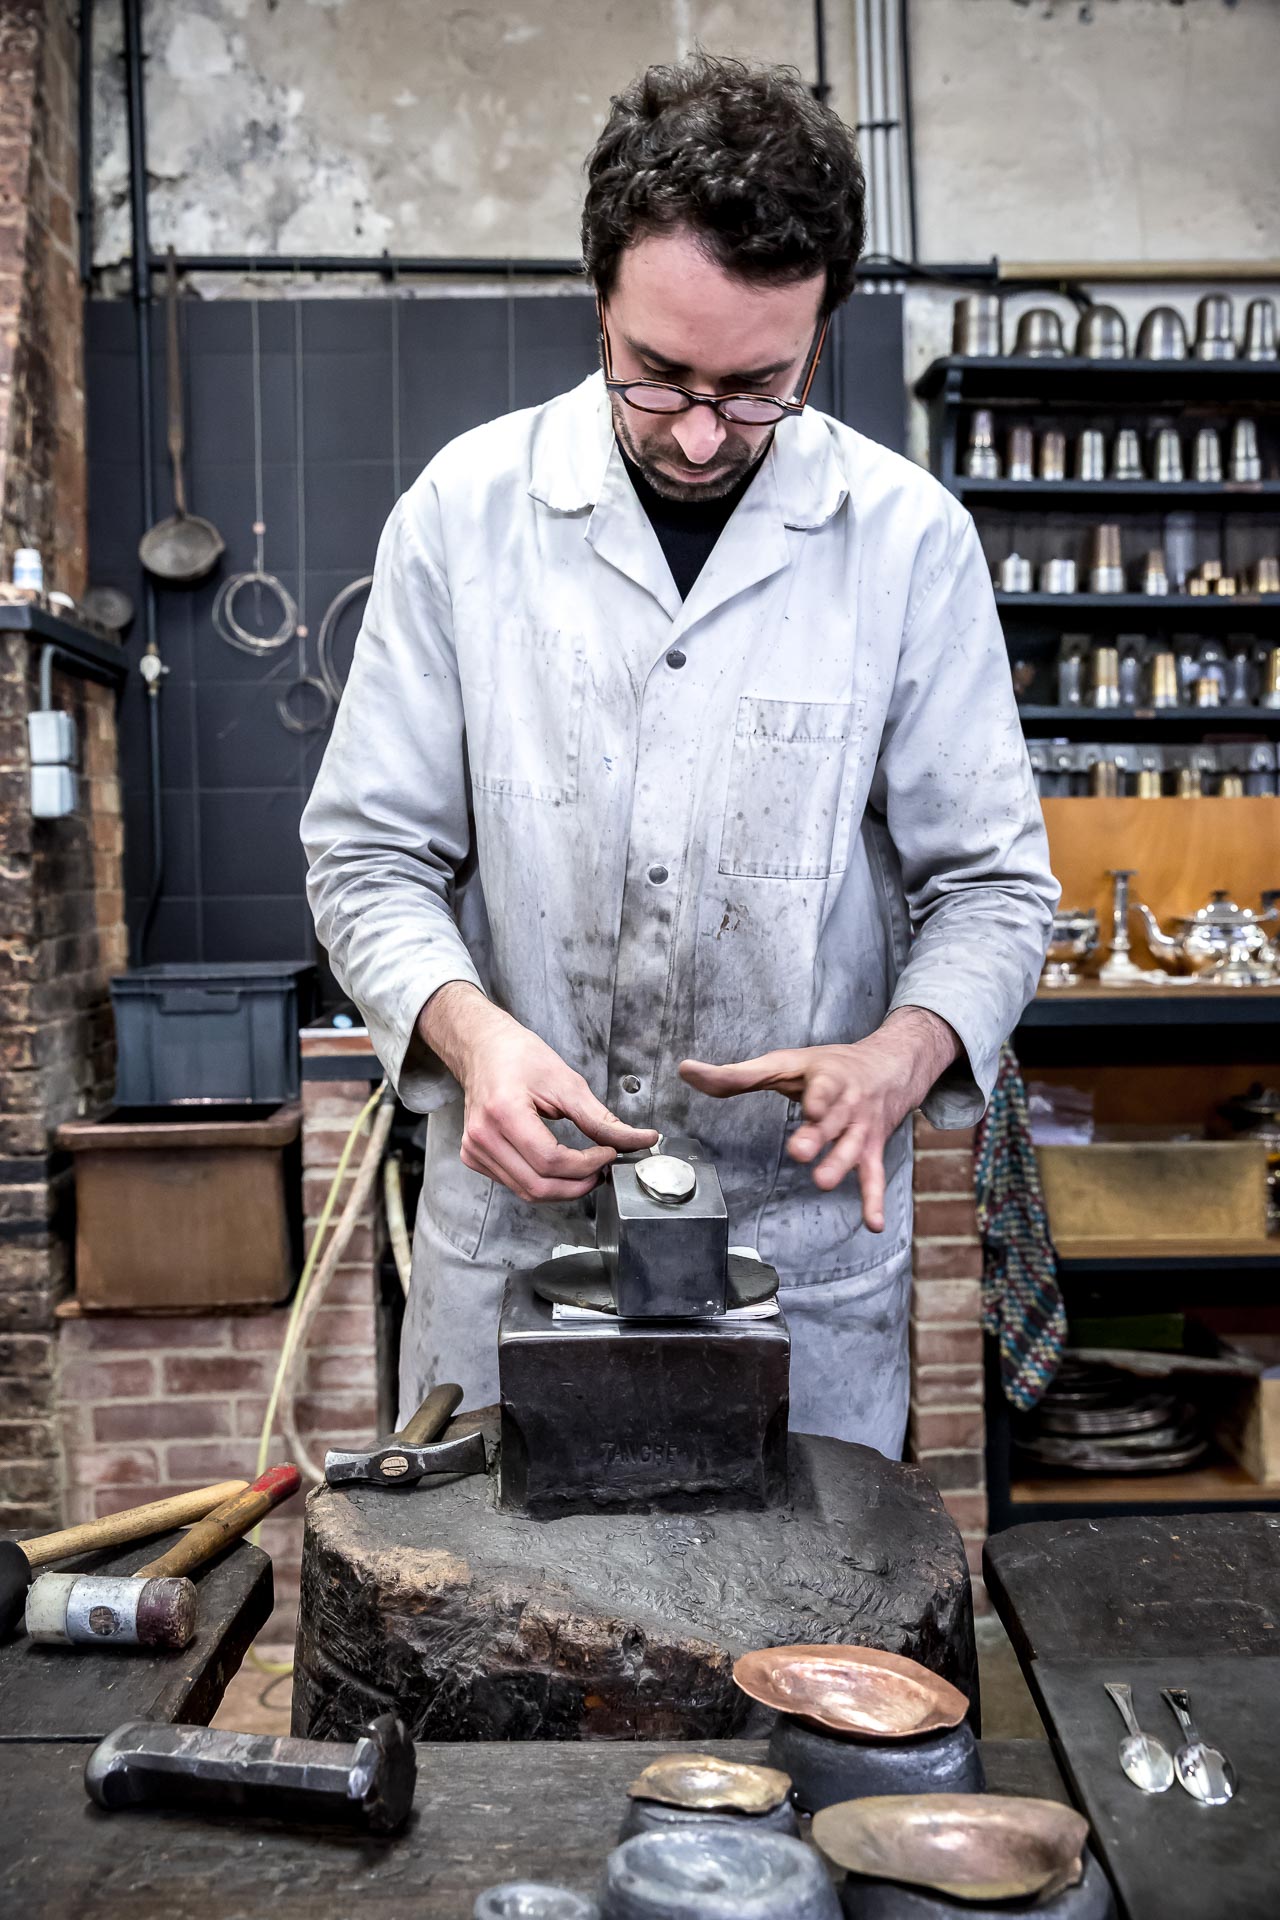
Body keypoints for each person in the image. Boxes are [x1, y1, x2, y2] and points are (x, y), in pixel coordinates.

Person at [302, 54, 1058, 1456]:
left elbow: (996, 890)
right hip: (518, 1247)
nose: (705, 434)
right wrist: (471, 1036)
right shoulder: (465, 518)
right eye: (660, 376)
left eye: (758, 385)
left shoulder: (906, 543)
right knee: (498, 1646)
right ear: (600, 301)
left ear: (822, 329)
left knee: (793, 1657)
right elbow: (366, 855)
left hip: (798, 1261)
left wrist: (905, 1052)